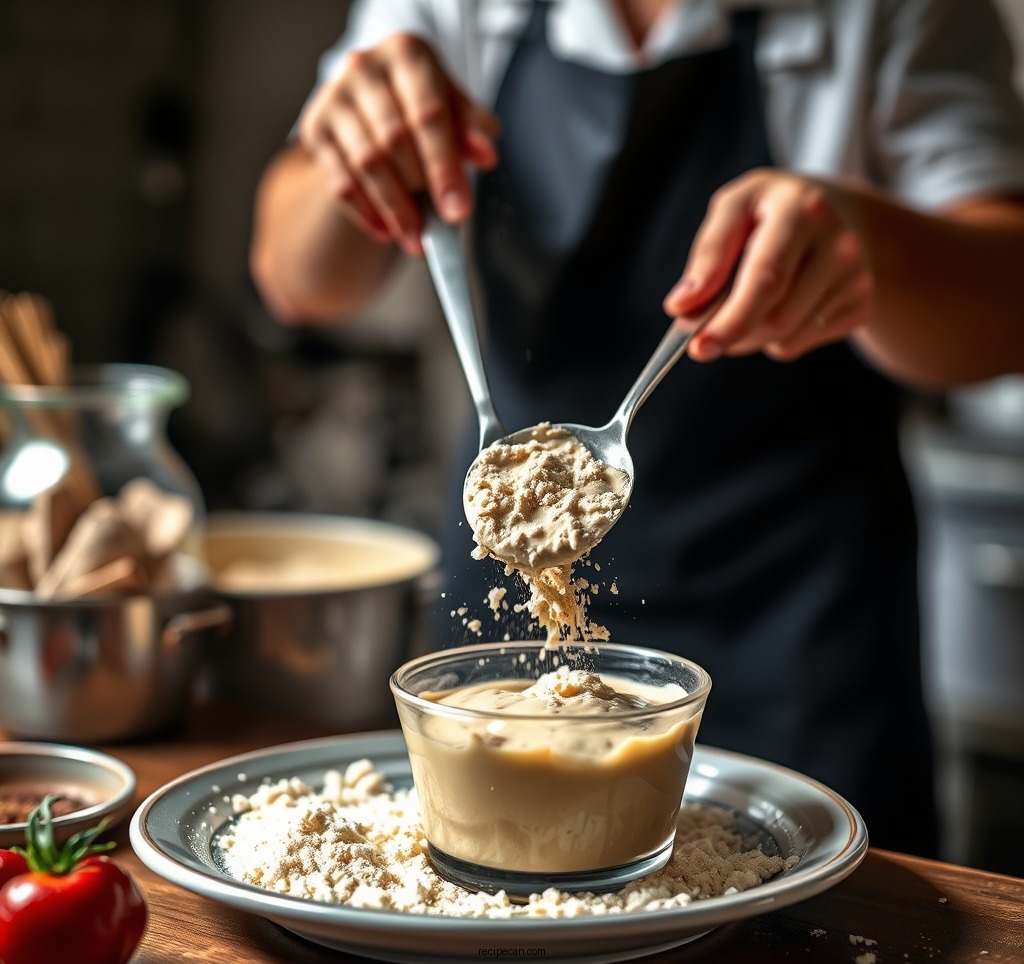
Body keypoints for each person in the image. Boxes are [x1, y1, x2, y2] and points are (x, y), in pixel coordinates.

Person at [249, 0, 1024, 858]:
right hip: (504, 599)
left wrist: (875, 248)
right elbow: (294, 279)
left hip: (797, 617)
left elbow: (1006, 311)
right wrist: (349, 161)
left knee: (821, 917)